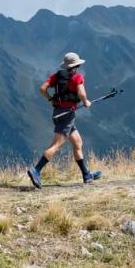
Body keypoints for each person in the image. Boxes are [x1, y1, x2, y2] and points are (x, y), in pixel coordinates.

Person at [26, 52, 102, 190]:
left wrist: (51, 99)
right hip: (67, 115)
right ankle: (36, 170)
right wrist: (86, 102)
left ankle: (86, 175)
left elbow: (42, 88)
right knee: (56, 145)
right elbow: (81, 93)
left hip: (58, 112)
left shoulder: (57, 76)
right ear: (77, 65)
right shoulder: (77, 77)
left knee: (78, 142)